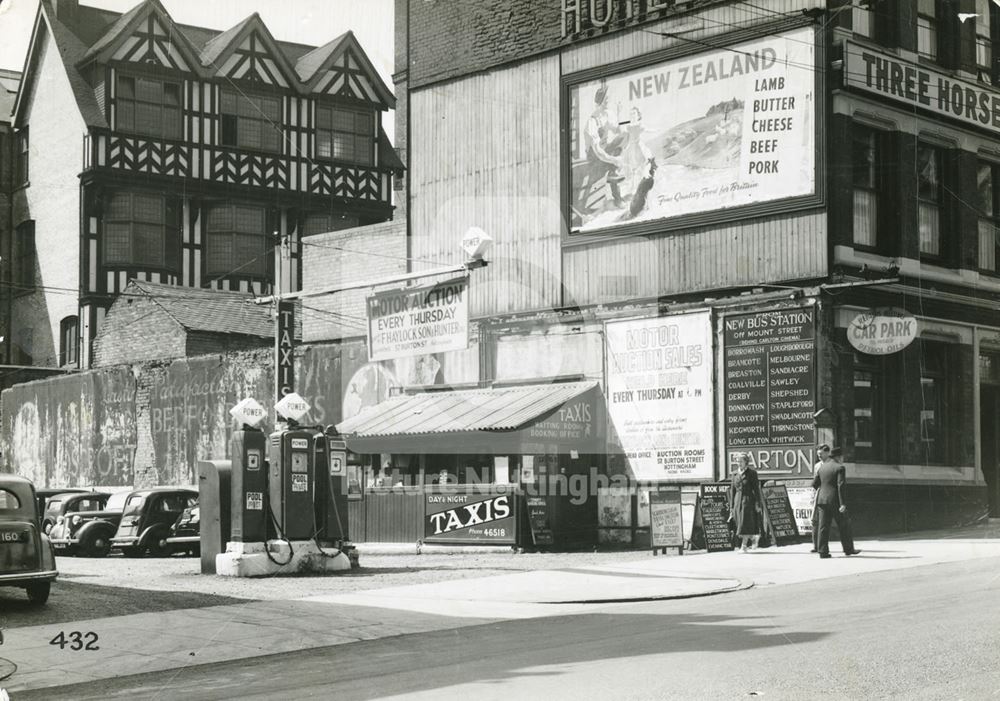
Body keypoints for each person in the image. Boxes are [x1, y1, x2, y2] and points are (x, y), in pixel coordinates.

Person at [812, 446, 861, 558]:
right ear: (839, 457)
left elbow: (815, 484)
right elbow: (841, 486)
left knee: (823, 526)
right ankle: (848, 549)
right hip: (835, 501)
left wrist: (823, 492)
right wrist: (842, 503)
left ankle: (823, 552)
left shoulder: (822, 468)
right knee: (844, 525)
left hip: (822, 500)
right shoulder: (840, 467)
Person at [728, 452, 762, 552]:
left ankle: (744, 546)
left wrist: (757, 503)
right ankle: (753, 538)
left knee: (744, 523)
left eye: (741, 461)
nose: (739, 463)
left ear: (746, 462)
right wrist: (731, 506)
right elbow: (733, 491)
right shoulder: (734, 474)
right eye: (738, 462)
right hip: (737, 500)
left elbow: (756, 489)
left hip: (748, 500)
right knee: (739, 523)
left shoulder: (752, 473)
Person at [809, 444, 831, 553]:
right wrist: (812, 496)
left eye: (821, 454)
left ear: (827, 453)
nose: (819, 456)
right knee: (814, 520)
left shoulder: (832, 465)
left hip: (828, 495)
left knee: (825, 521)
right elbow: (815, 481)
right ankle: (815, 546)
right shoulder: (817, 466)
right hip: (818, 494)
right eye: (818, 455)